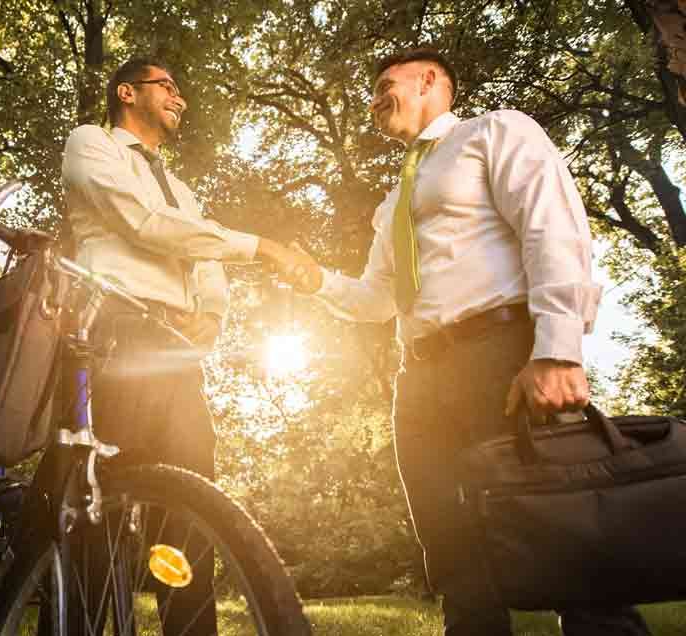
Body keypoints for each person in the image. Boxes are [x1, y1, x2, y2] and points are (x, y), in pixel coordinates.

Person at [268, 49, 651, 636]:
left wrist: (556, 349)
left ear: (430, 80)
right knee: (453, 552)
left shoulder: (495, 132)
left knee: (563, 535)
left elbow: (551, 227)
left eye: (384, 84)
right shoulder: (392, 204)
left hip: (501, 358)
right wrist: (314, 278)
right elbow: (377, 299)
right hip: (419, 380)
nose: (374, 99)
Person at [59, 56, 297, 636]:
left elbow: (202, 256)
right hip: (113, 335)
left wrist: (213, 314)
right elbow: (142, 222)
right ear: (127, 92)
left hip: (174, 351)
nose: (179, 98)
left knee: (189, 505)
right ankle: (86, 625)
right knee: (100, 502)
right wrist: (260, 246)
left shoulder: (184, 191)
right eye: (168, 85)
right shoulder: (92, 144)